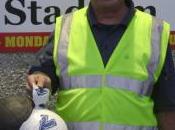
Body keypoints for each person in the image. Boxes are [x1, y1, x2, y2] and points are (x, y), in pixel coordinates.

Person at [27, 0, 175, 129]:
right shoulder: (66, 26)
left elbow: (168, 107)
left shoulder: (155, 31)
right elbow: (44, 73)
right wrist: (41, 79)